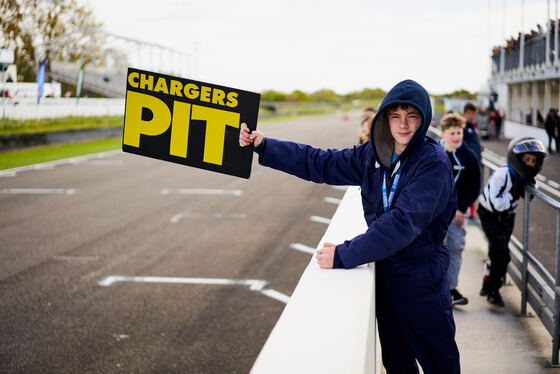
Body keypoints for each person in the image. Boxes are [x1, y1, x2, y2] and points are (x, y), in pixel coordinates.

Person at [240, 79, 460, 374]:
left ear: (423, 120)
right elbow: (321, 162)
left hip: (423, 277)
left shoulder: (432, 161)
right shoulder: (373, 153)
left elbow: (402, 223)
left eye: (412, 116)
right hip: (386, 274)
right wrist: (265, 146)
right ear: (385, 117)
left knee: (440, 364)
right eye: (396, 116)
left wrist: (345, 254)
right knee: (396, 362)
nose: (403, 125)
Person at [478, 137, 548, 307]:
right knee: (502, 254)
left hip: (507, 217)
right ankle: (493, 290)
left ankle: (487, 283)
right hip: (489, 214)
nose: (530, 164)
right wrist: (515, 194)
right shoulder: (502, 175)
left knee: (497, 252)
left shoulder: (523, 177)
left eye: (533, 161)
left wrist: (529, 185)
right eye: (526, 160)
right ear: (517, 159)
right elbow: (497, 204)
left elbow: (530, 196)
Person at [439, 113, 481, 306]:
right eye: (452, 133)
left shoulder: (469, 156)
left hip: (456, 214)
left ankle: (451, 289)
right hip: (434, 214)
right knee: (433, 249)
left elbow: (474, 185)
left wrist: (461, 208)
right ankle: (432, 287)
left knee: (455, 247)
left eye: (459, 132)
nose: (456, 136)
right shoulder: (433, 152)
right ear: (443, 133)